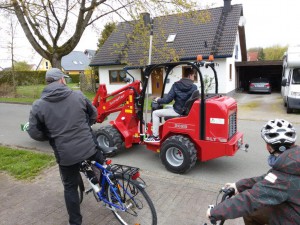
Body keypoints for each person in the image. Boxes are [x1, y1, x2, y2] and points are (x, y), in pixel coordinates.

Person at [27, 68, 104, 225]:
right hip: (88, 146)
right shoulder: (78, 95)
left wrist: (51, 137)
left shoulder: (38, 105)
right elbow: (94, 114)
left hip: (66, 156)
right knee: (102, 164)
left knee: (70, 188)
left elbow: (34, 133)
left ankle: (75, 222)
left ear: (48, 82)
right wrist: (84, 125)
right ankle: (108, 190)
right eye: (65, 79)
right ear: (61, 80)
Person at [206, 119, 300, 225]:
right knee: (252, 214)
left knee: (253, 208)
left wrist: (215, 212)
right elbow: (269, 178)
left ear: (270, 147)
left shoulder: (284, 175)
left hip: (291, 218)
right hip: (290, 208)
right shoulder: (292, 162)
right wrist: (239, 185)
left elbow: (251, 199)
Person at [144, 67, 198, 142]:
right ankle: (164, 127)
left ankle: (155, 136)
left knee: (155, 113)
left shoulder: (176, 85)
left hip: (178, 111)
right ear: (190, 75)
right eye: (193, 76)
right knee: (167, 107)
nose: (193, 77)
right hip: (185, 109)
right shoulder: (194, 87)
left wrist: (158, 100)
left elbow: (167, 100)